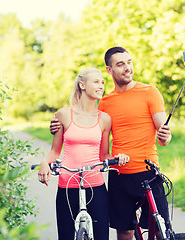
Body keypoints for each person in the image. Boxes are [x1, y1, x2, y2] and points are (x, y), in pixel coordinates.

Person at [50, 47, 172, 240]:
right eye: (120, 64)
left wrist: (165, 135)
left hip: (149, 172)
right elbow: (88, 126)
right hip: (119, 175)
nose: (127, 68)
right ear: (109, 70)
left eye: (129, 62)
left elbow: (163, 134)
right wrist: (59, 126)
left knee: (160, 229)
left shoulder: (150, 92)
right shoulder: (105, 102)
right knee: (124, 232)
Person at [38, 67, 129, 240]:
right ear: (82, 85)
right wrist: (44, 163)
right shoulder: (63, 114)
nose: (101, 85)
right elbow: (54, 152)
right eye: (96, 81)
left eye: (103, 82)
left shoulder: (104, 118)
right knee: (66, 236)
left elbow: (104, 156)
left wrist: (118, 158)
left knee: (101, 236)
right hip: (67, 185)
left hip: (96, 185)